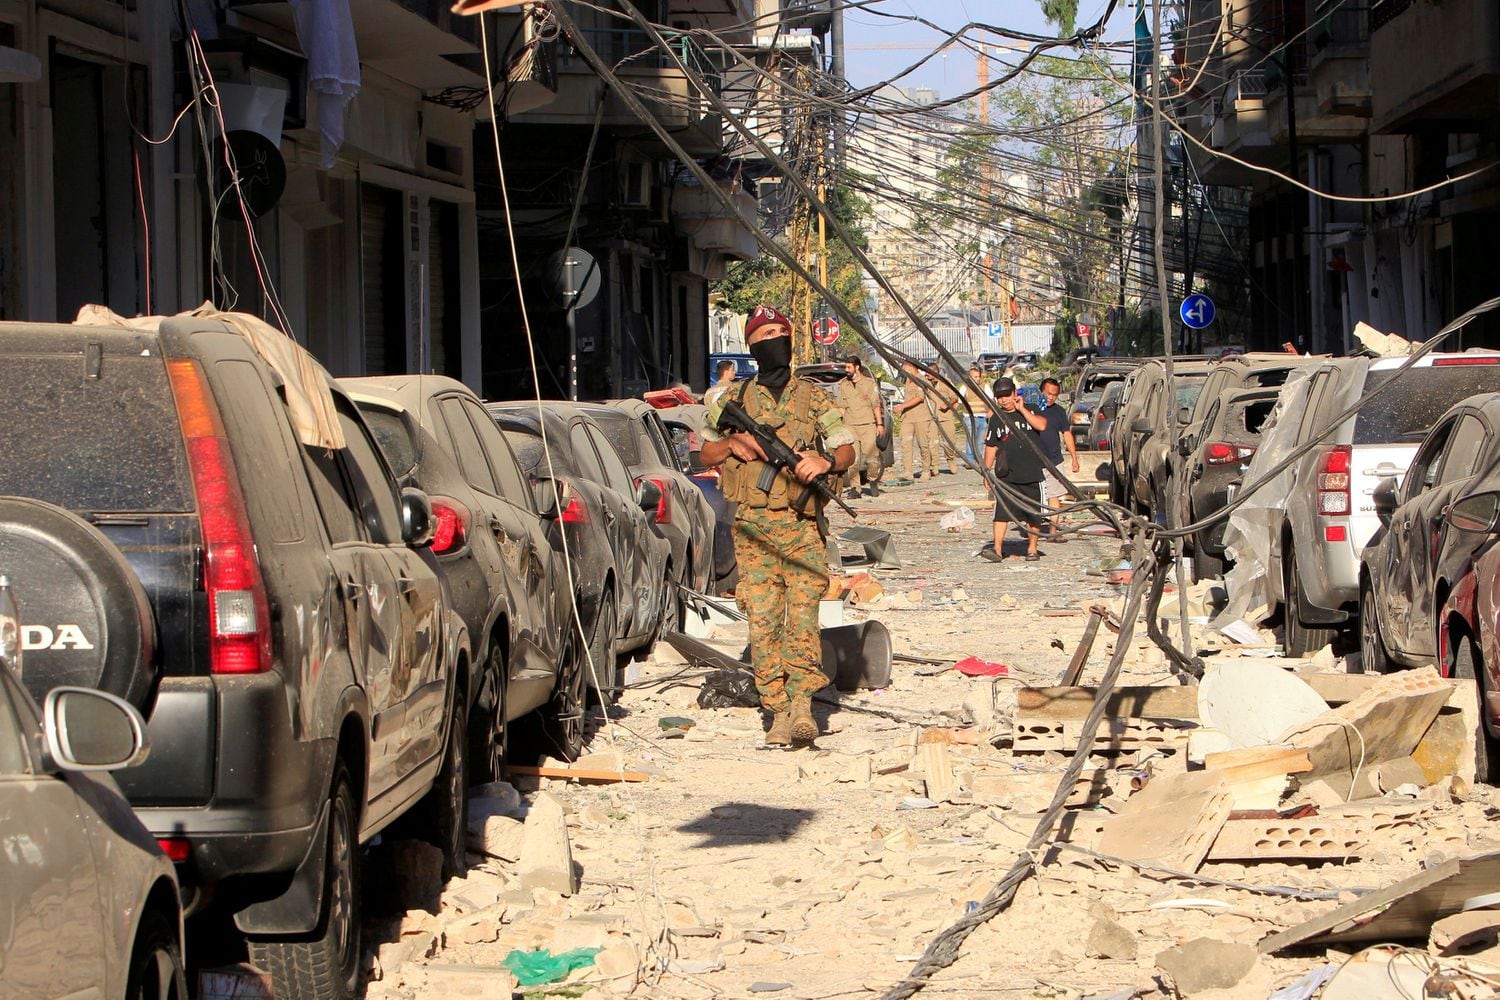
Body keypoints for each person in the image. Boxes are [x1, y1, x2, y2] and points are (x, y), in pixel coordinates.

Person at [700, 305, 856, 746]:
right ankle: (778, 712)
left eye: (781, 332)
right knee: (763, 621)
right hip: (753, 528)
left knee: (803, 617)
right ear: (752, 345)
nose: (775, 340)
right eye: (766, 333)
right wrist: (733, 442)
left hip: (802, 525)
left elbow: (847, 447)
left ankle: (803, 705)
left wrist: (825, 461)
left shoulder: (813, 396)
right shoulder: (733, 401)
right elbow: (704, 454)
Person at [982, 376, 1048, 562]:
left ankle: (1032, 549)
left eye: (1007, 395)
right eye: (1000, 397)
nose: (1004, 400)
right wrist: (986, 471)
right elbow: (991, 445)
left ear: (1014, 393)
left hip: (1032, 473)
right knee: (1001, 514)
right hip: (1007, 475)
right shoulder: (996, 419)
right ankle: (997, 549)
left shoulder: (1031, 410)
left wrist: (1022, 409)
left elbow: (1042, 425)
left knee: (1033, 515)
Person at [1035, 376, 1081, 540]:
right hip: (1034, 461)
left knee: (1054, 496)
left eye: (1054, 394)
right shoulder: (1031, 409)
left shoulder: (1059, 412)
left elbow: (1067, 434)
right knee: (1033, 497)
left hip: (1054, 460)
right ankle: (1033, 531)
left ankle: (1054, 532)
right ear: (1041, 392)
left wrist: (1074, 458)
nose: (1051, 397)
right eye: (1048, 393)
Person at [840, 354, 885, 498]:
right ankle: (855, 488)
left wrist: (880, 424)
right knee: (852, 459)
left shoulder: (869, 384)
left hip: (867, 425)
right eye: (845, 367)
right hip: (850, 426)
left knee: (871, 457)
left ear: (857, 367)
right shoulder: (843, 385)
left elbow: (876, 406)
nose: (846, 370)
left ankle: (872, 480)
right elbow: (842, 407)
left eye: (849, 367)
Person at [894, 360, 939, 484]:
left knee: (923, 444)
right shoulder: (908, 381)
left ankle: (925, 471)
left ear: (910, 366)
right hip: (908, 417)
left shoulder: (921, 379)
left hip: (921, 417)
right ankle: (908, 472)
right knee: (906, 443)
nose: (903, 369)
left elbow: (919, 398)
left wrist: (902, 406)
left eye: (904, 366)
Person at [959, 364, 991, 463]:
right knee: (970, 439)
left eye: (978, 376)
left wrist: (990, 411)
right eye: (975, 377)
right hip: (970, 417)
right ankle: (970, 460)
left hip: (983, 417)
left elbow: (991, 399)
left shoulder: (985, 386)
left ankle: (978, 459)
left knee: (980, 440)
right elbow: (960, 400)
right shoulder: (965, 387)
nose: (977, 379)